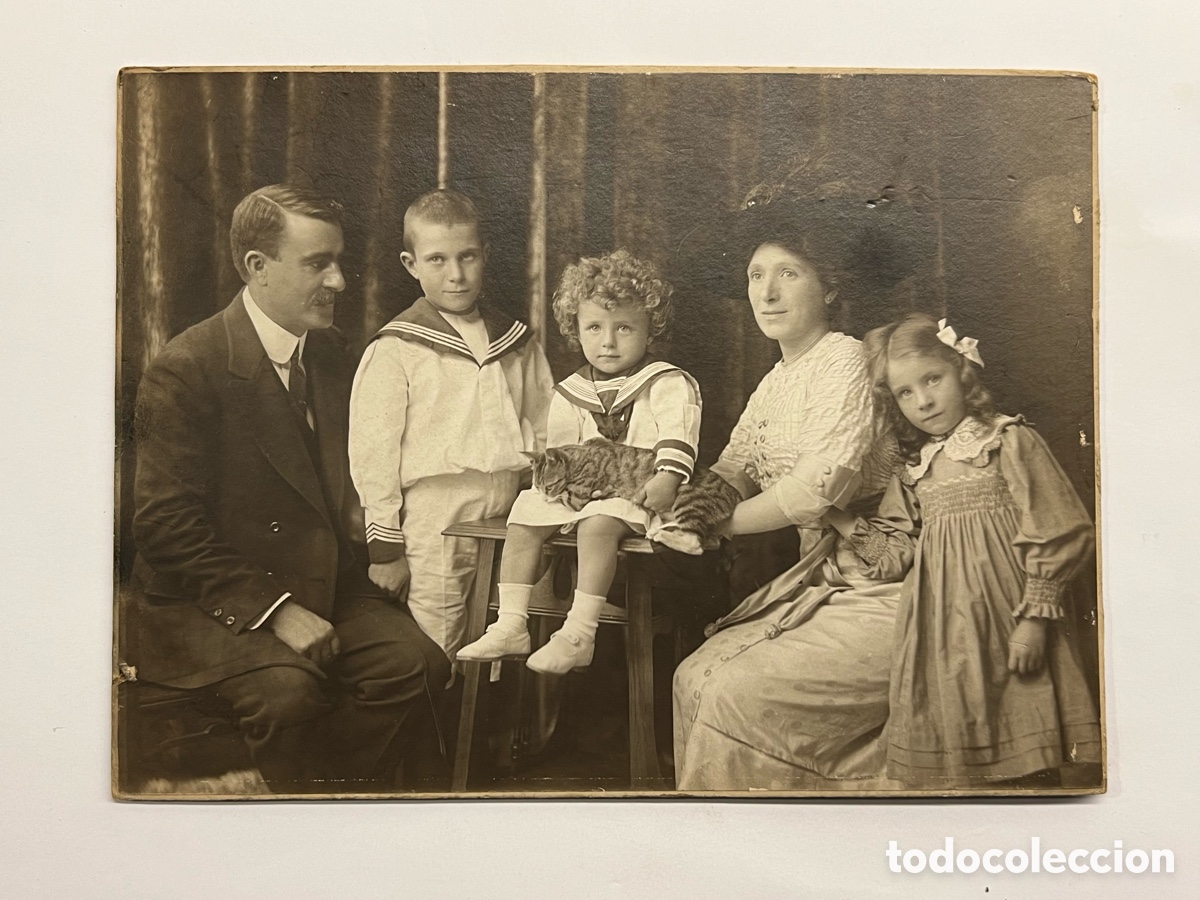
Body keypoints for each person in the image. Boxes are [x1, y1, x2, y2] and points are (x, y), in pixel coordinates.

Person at [128, 184, 449, 793]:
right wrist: (275, 611)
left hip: (320, 581)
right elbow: (166, 528)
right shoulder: (186, 368)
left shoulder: (330, 352)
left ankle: (322, 800)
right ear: (258, 266)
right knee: (289, 695)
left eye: (338, 262)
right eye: (317, 264)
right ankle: (304, 818)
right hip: (211, 604)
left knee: (420, 666)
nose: (339, 282)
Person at [672, 204, 904, 791]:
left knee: (730, 691)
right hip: (821, 581)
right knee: (692, 677)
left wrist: (716, 527)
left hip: (886, 584)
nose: (767, 292)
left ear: (830, 288)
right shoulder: (776, 381)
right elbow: (733, 471)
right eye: (756, 275)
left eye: (788, 274)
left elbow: (813, 492)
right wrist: (668, 505)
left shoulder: (846, 360)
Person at [829, 314, 1100, 786]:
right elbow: (896, 554)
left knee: (1029, 752)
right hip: (946, 631)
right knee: (972, 760)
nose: (923, 401)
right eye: (905, 393)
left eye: (932, 379)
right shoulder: (914, 469)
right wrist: (836, 515)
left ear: (962, 369)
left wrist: (1035, 618)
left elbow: (1061, 528)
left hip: (1011, 619)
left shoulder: (1008, 441)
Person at [456, 250, 702, 675]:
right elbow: (562, 454)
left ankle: (578, 634)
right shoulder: (572, 390)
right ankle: (511, 623)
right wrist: (563, 491)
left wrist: (668, 476)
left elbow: (679, 432)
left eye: (624, 327)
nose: (608, 342)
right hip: (581, 493)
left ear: (650, 329)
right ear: (576, 329)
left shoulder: (665, 381)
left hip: (637, 492)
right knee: (525, 513)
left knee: (599, 523)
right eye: (594, 327)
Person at [349, 189, 554, 660]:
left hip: (510, 506)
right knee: (439, 632)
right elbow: (373, 452)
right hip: (435, 513)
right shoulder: (397, 347)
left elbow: (546, 425)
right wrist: (386, 547)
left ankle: (483, 711)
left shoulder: (515, 342)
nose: (456, 274)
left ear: (486, 255)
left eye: (467, 256)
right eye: (437, 260)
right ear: (411, 264)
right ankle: (440, 708)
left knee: (501, 632)